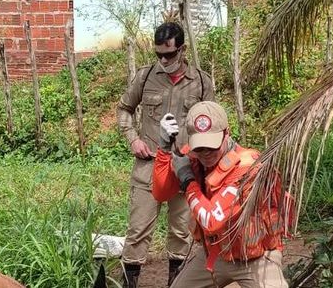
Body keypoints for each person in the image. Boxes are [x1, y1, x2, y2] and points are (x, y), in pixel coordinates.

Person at [117, 22, 215, 287]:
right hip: (148, 166)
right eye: (158, 54)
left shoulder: (202, 82)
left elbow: (212, 124)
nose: (163, 60)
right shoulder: (146, 77)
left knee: (181, 233)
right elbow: (124, 109)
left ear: (182, 50)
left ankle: (176, 283)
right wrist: (133, 139)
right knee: (138, 230)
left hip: (185, 167)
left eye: (169, 54)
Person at [152, 102, 291, 288]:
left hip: (257, 256)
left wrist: (187, 181)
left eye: (212, 146)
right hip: (218, 252)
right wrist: (164, 151)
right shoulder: (193, 157)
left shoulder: (246, 167)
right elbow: (161, 193)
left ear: (227, 133)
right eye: (200, 147)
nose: (206, 153)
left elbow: (211, 220)